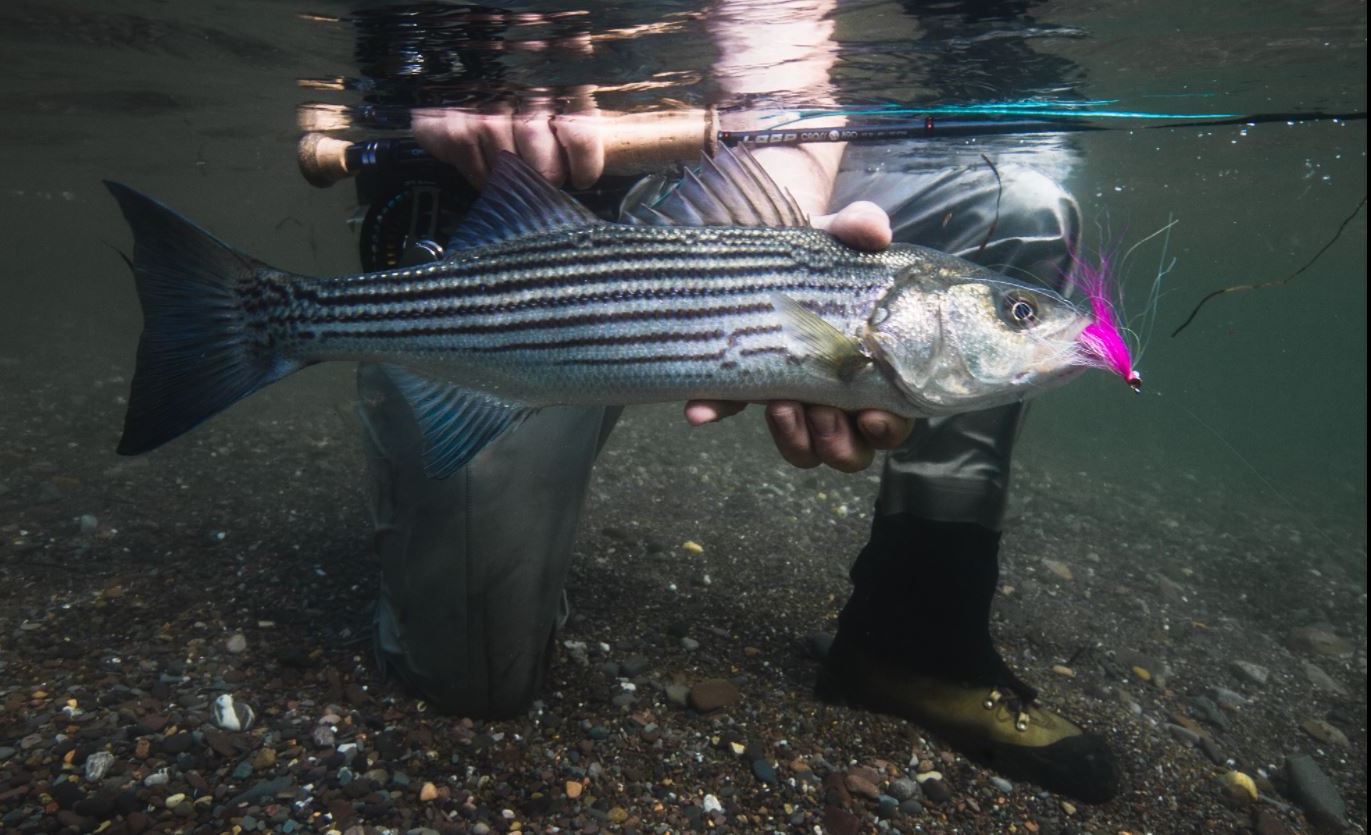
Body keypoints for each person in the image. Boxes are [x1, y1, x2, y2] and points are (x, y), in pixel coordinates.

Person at [343, 0, 1118, 804]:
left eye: (1014, 313)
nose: (1035, 326)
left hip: (697, 184)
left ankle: (916, 637)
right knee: (473, 679)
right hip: (516, 244)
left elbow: (776, 38)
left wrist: (781, 196)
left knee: (1020, 197)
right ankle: (387, 319)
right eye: (1014, 315)